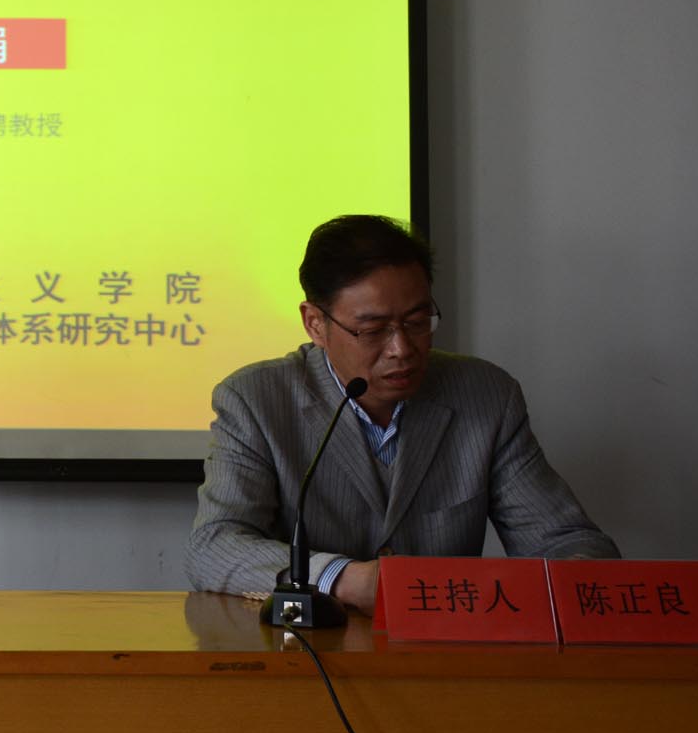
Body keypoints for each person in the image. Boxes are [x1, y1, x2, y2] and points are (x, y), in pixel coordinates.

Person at [185, 215, 617, 615]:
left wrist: (572, 575)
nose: (402, 349)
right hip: (305, 651)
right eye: (373, 330)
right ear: (315, 323)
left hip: (442, 650)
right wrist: (342, 579)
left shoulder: (486, 396)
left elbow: (567, 540)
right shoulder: (256, 400)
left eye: (417, 321)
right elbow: (213, 547)